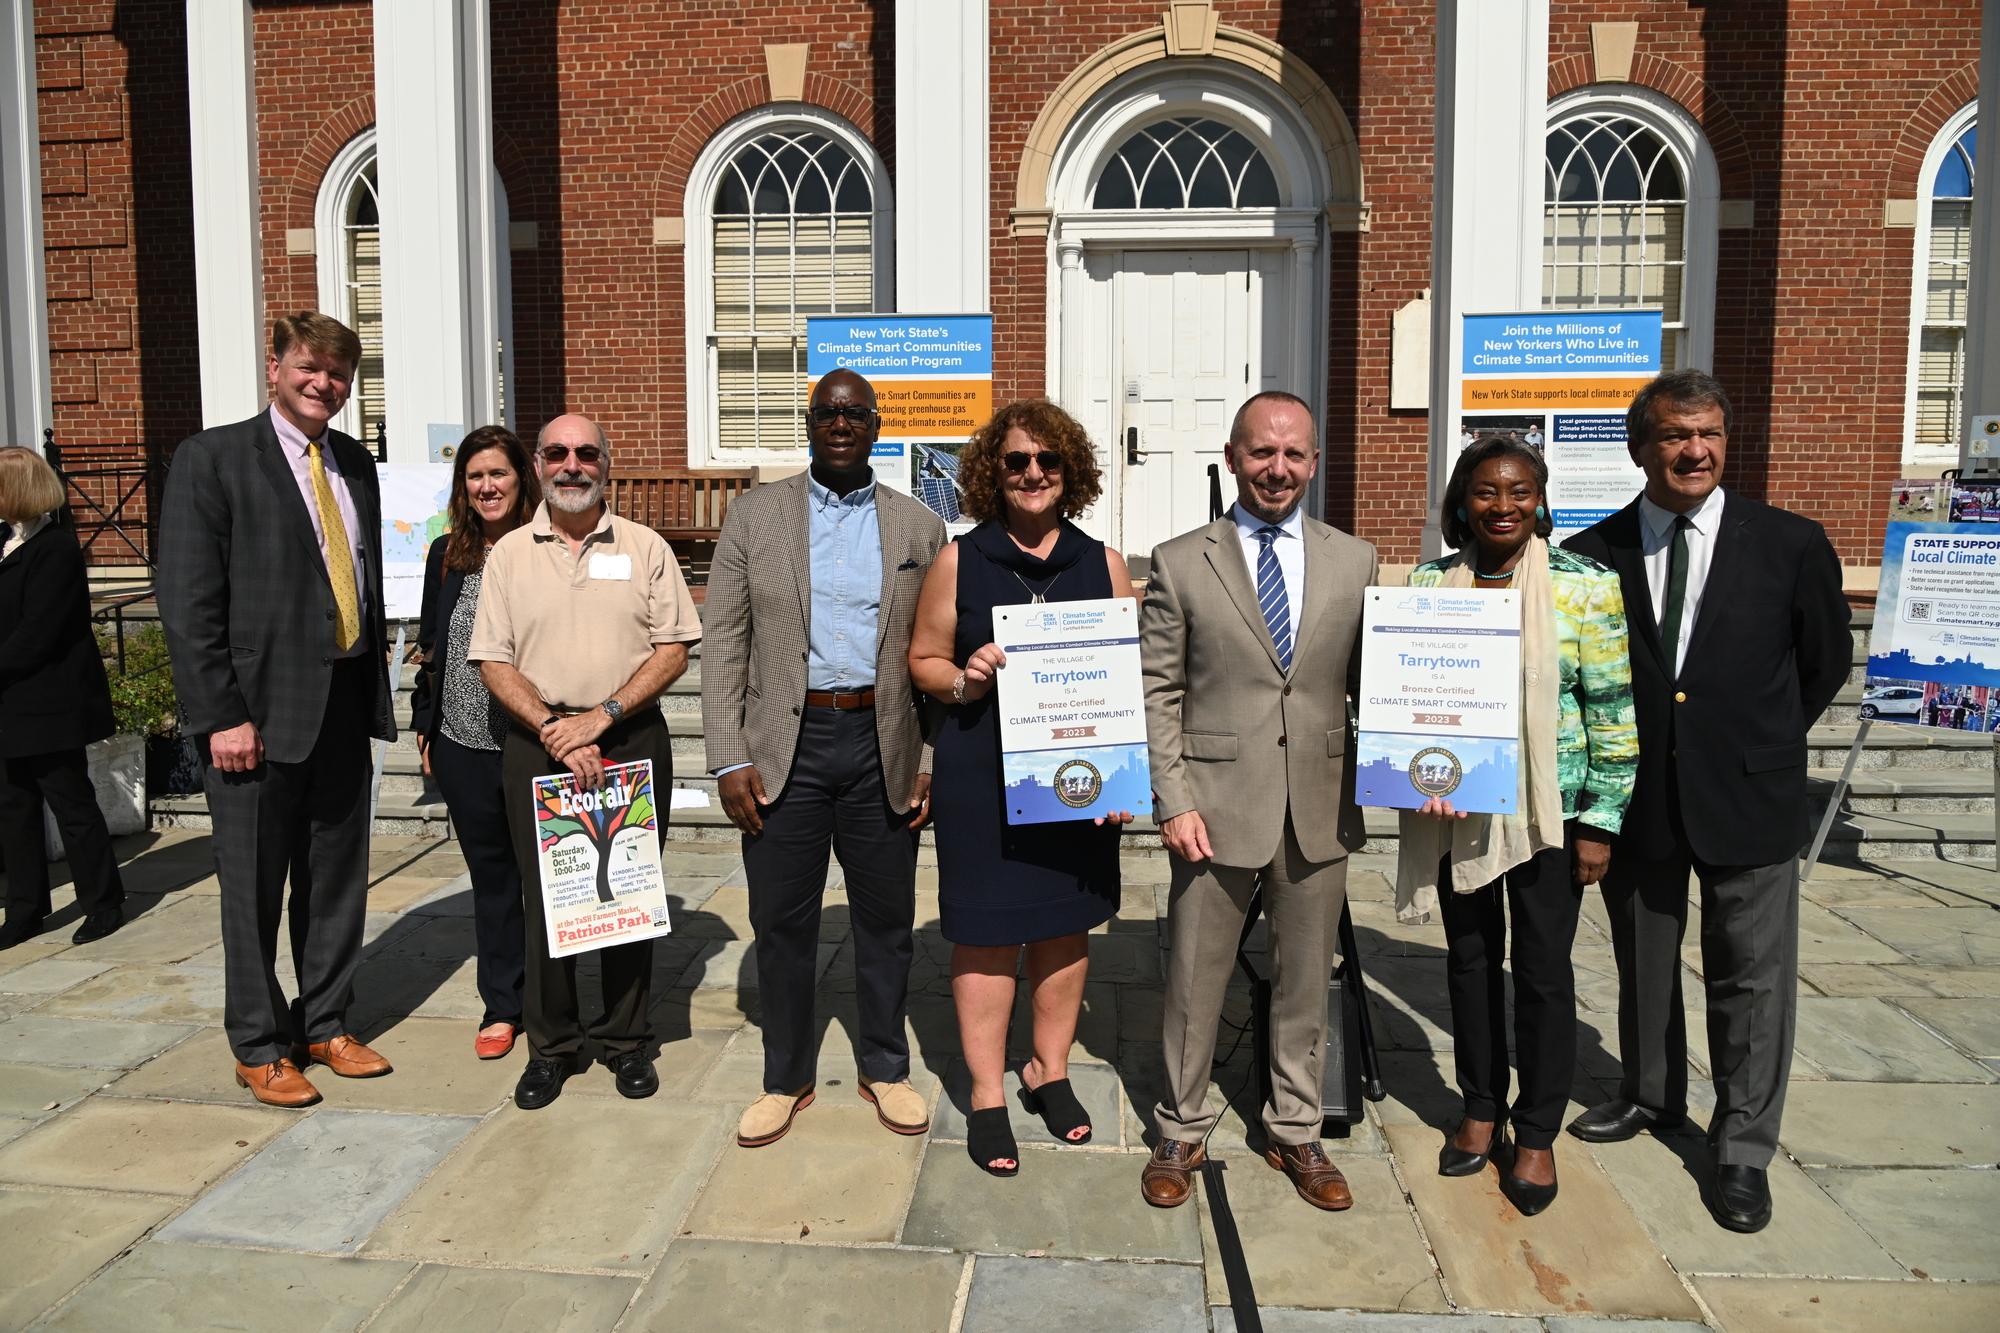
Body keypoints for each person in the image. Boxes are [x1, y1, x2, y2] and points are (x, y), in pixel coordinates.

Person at [1562, 370, 1851, 1235]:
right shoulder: (1592, 550)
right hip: (1638, 799)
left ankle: (1742, 1147)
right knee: (1644, 966)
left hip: (1749, 796)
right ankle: (1649, 1094)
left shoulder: (1790, 543)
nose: (1696, 450)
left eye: (1711, 433)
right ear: (1638, 447)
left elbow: (1824, 661)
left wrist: (1755, 739)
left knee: (1752, 981)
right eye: (1676, 435)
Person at [1137, 391, 1376, 1212]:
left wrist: (1428, 765)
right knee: (1195, 977)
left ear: (1314, 462)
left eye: (1294, 454)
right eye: (1262, 452)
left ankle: (1297, 1127)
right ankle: (1181, 1122)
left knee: (1307, 976)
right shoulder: (1179, 559)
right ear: (1233, 457)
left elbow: (1375, 686)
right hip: (1213, 801)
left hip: (1317, 801)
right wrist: (1173, 798)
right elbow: (1156, 689)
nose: (1279, 469)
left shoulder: (1357, 559)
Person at [158, 312, 398, 1108]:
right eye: (309, 367)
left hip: (340, 703)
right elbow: (190, 603)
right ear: (275, 366)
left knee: (336, 881)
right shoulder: (214, 459)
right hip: (254, 718)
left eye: (337, 372)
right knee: (253, 888)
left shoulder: (356, 462)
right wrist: (219, 714)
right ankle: (258, 1044)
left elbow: (357, 572)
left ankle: (323, 1022)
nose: (323, 383)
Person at [703, 369, 944, 1149]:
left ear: (876, 426)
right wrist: (727, 755)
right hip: (786, 746)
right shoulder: (755, 516)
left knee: (887, 920)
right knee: (780, 921)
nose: (841, 422)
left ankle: (885, 1064)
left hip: (885, 743)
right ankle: (786, 1075)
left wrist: (931, 757)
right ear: (809, 423)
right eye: (827, 412)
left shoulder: (917, 526)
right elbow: (725, 645)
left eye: (855, 413)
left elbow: (938, 647)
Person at [1397, 435, 1637, 1217]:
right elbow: (1403, 695)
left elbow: (1611, 711)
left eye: (1520, 491)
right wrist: (1415, 768)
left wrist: (1600, 819)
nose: (1504, 506)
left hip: (1550, 815)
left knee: (1541, 972)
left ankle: (1536, 1129)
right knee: (1468, 962)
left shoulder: (1584, 587)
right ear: (1462, 500)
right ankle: (1479, 1107)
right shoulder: (1430, 583)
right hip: (1459, 809)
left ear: (1541, 499)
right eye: (1487, 492)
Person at [908, 399, 1137, 1177]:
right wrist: (964, 676)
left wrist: (1124, 771)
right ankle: (984, 1092)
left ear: (1070, 472)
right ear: (991, 472)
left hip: (1076, 782)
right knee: (986, 933)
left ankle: (1049, 1069)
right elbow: (924, 659)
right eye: (1016, 462)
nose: (1032, 473)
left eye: (1047, 461)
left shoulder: (1103, 562)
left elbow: (1129, 675)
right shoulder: (959, 560)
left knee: (1064, 929)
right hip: (983, 769)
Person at [470, 414, 701, 1110]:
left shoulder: (645, 546)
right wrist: (552, 727)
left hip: (627, 736)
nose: (573, 465)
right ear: (538, 464)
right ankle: (553, 1046)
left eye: (587, 453)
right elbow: (492, 659)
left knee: (625, 896)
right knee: (546, 901)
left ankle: (626, 1040)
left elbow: (673, 647)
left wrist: (600, 717)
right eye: (558, 453)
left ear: (608, 461)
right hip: (536, 743)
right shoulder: (509, 553)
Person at [410, 427, 541, 1059]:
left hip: (535, 739)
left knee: (546, 878)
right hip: (463, 739)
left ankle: (551, 1001)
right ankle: (503, 1004)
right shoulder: (446, 553)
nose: (487, 486)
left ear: (522, 478)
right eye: (474, 477)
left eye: (499, 474)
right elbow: (431, 644)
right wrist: (426, 722)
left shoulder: (547, 548)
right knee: (492, 877)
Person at [0, 448, 127, 950]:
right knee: (13, 808)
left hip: (49, 699)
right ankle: (26, 910)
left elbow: (39, 632)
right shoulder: (4, 541)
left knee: (71, 804)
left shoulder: (55, 549)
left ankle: (103, 903)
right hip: (8, 700)